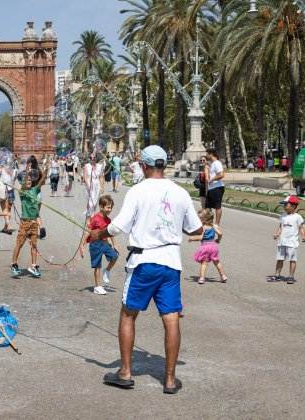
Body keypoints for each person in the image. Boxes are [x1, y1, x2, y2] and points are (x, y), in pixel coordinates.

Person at [88, 145, 202, 394]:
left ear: (144, 166)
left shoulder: (138, 191)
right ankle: (170, 380)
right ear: (164, 165)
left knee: (128, 314)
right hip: (171, 263)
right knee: (171, 319)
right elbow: (196, 229)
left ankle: (125, 372)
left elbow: (118, 226)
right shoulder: (180, 193)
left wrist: (99, 233)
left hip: (143, 262)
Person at [10, 164, 49, 278]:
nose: (28, 181)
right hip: (25, 222)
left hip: (34, 222)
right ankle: (14, 263)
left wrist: (46, 169)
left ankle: (33, 265)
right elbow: (22, 186)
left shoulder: (35, 190)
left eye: (29, 180)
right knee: (20, 243)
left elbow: (41, 181)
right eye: (26, 180)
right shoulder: (22, 192)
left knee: (34, 245)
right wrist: (27, 172)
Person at [79, 195, 119, 295]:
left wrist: (115, 244)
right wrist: (82, 245)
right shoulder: (95, 218)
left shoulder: (109, 220)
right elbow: (87, 232)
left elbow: (111, 232)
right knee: (97, 266)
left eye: (111, 207)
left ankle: (108, 270)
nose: (110, 209)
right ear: (101, 206)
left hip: (104, 243)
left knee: (114, 256)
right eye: (108, 207)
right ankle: (97, 287)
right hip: (95, 244)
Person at [272, 195, 305, 284]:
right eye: (283, 205)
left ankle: (291, 277)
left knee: (292, 260)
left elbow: (301, 227)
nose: (284, 206)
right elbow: (280, 227)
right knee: (279, 259)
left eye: (286, 205)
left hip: (292, 242)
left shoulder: (298, 217)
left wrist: (303, 236)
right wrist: (277, 233)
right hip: (282, 241)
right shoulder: (283, 216)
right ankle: (277, 275)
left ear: (293, 206)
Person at [189, 209, 228, 284]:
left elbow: (200, 237)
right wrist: (218, 240)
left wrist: (192, 238)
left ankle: (202, 278)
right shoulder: (213, 226)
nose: (199, 220)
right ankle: (223, 276)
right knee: (216, 261)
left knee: (204, 262)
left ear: (204, 219)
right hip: (213, 246)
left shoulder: (203, 227)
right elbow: (220, 233)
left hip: (205, 246)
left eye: (200, 218)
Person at [0, 162, 16, 234]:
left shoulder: (2, 169)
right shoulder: (14, 171)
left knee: (5, 210)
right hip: (11, 191)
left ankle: (8, 226)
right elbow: (14, 181)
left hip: (4, 191)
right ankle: (5, 227)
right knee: (8, 210)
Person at [205, 148, 225, 225]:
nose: (206, 155)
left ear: (211, 154)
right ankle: (208, 223)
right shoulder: (212, 164)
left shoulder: (217, 163)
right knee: (207, 207)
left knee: (217, 206)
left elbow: (221, 174)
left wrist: (211, 180)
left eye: (207, 154)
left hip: (217, 187)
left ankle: (216, 224)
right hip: (211, 188)